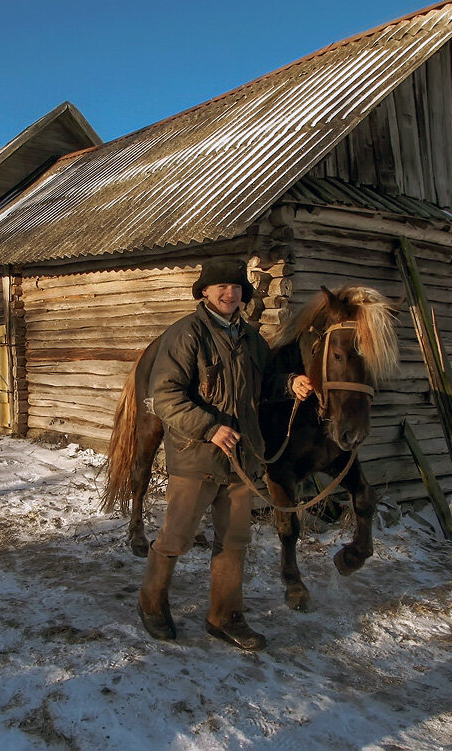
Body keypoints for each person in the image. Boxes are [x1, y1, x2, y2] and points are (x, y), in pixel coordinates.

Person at [136, 257, 288, 650]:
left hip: (241, 459)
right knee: (176, 539)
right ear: (204, 292)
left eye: (236, 287)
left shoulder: (253, 340)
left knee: (235, 541)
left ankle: (224, 616)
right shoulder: (186, 334)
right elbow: (165, 397)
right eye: (220, 286)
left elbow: (267, 384)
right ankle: (152, 604)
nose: (229, 292)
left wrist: (292, 382)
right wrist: (208, 427)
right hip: (196, 458)